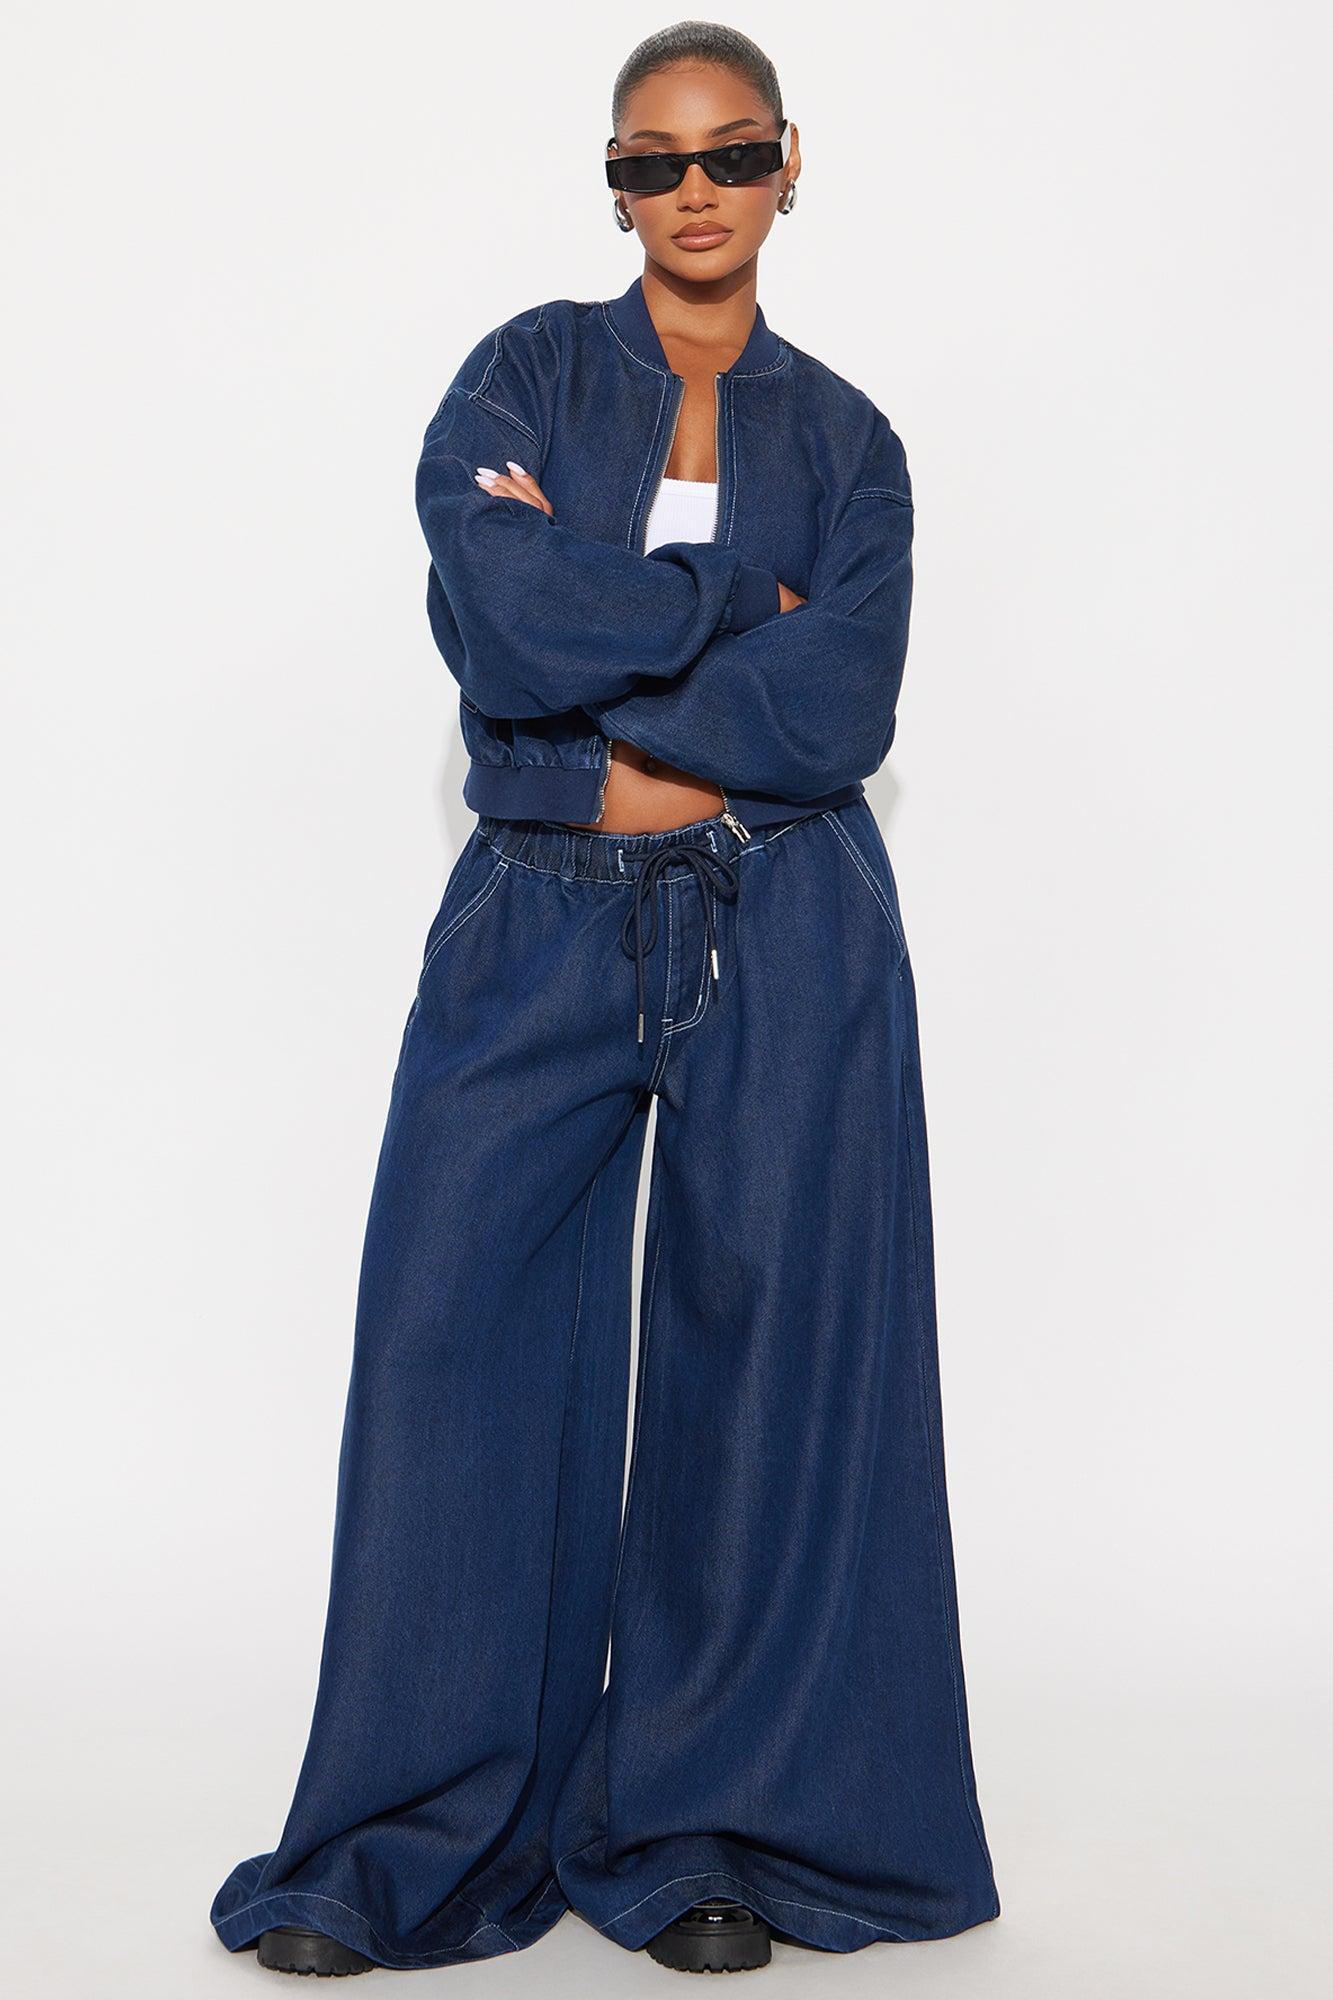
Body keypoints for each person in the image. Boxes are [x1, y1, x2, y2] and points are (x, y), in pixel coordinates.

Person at [210, 20, 1002, 1981]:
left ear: (790, 164)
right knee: (453, 1349)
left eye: (728, 153)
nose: (692, 189)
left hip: (786, 913)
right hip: (537, 918)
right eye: (651, 161)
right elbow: (499, 619)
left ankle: (713, 1828)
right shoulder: (523, 376)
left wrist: (599, 637)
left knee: (772, 1371)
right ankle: (407, 1841)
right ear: (614, 185)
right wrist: (729, 610)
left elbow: (839, 710)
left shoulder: (853, 443)